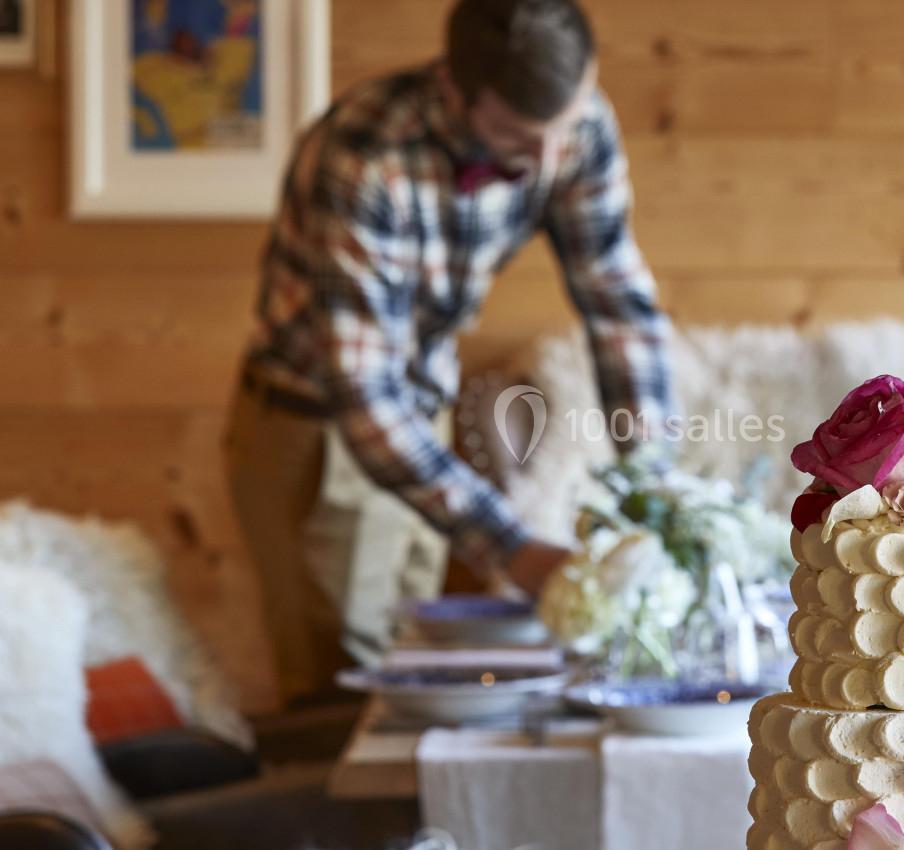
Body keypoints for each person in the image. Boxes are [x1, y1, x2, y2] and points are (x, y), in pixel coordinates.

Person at [224, 0, 672, 702]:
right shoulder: (365, 157)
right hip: (319, 430)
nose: (551, 159)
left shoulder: (574, 123)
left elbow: (618, 306)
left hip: (419, 417)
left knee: (419, 677)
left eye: (564, 127)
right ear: (454, 89)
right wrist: (513, 548)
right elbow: (365, 393)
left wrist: (653, 484)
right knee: (347, 695)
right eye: (521, 139)